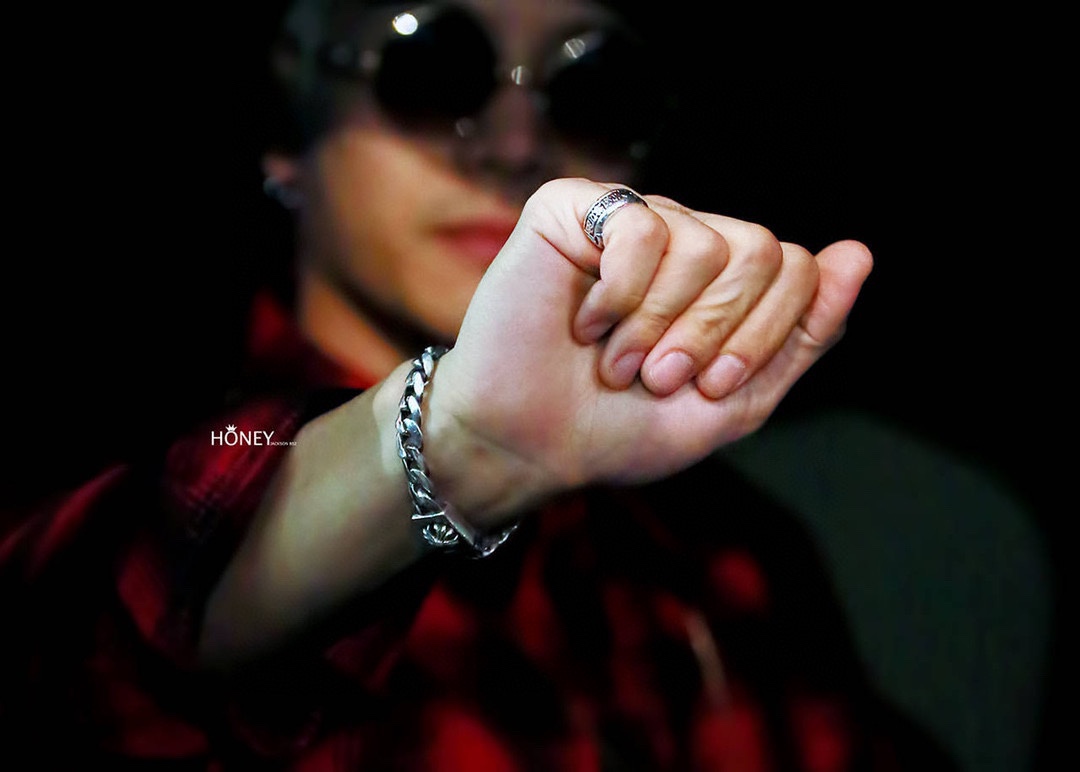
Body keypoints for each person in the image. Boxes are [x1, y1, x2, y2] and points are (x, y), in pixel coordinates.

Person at [2, 0, 958, 769]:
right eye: (432, 71)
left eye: (590, 89)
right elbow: (91, 628)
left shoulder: (727, 549)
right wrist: (456, 447)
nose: (516, 145)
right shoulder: (140, 440)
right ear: (289, 134)